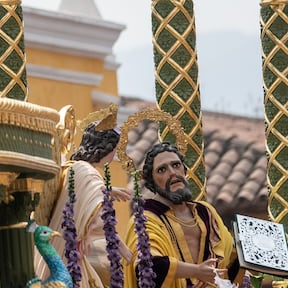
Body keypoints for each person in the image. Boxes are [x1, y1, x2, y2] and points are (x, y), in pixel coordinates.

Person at [123, 142, 242, 288]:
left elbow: (230, 259)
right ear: (152, 182)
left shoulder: (206, 213)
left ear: (184, 170)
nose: (172, 172)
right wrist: (197, 271)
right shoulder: (145, 219)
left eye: (176, 165)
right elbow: (148, 264)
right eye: (162, 170)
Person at [35, 115, 132, 288]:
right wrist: (120, 246)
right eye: (115, 149)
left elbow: (82, 199)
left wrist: (107, 191)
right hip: (69, 252)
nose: (114, 154)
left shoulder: (74, 168)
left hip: (69, 250)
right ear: (106, 147)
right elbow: (94, 221)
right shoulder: (86, 172)